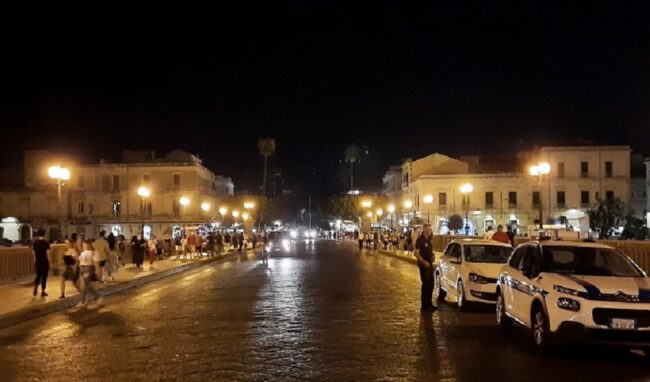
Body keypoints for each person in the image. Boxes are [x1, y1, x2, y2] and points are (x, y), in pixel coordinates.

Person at [414, 224, 436, 311]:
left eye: (431, 230)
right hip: (424, 264)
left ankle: (429, 303)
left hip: (429, 263)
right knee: (426, 284)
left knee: (431, 284)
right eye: (429, 230)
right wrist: (423, 262)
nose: (430, 231)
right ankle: (424, 305)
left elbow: (430, 251)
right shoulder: (420, 240)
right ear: (425, 230)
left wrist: (433, 256)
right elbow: (416, 253)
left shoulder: (430, 239)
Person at [78, 240, 102, 305]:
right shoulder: (83, 253)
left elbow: (96, 263)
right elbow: (80, 261)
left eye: (84, 245)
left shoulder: (94, 252)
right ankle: (97, 296)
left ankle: (82, 301)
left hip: (88, 269)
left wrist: (96, 272)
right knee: (87, 286)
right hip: (82, 269)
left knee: (84, 286)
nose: (83, 246)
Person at [32, 229, 51, 297]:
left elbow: (33, 254)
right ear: (44, 234)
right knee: (44, 277)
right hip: (44, 261)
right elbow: (48, 254)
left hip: (38, 261)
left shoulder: (35, 243)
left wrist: (35, 262)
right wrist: (50, 262)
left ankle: (36, 286)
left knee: (38, 275)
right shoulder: (46, 243)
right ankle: (43, 291)